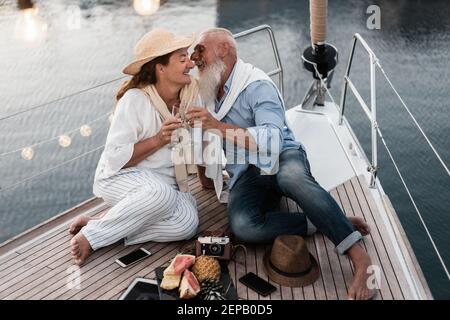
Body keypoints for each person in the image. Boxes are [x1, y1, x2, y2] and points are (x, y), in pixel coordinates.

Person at [186, 28, 375, 300]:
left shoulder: (256, 85)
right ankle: (327, 220)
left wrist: (217, 126)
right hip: (248, 173)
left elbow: (273, 139)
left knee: (292, 179)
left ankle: (359, 258)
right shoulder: (208, 92)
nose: (194, 57)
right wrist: (205, 175)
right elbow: (205, 137)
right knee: (243, 226)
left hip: (282, 155)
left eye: (201, 48)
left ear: (223, 50)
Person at [69, 28, 201, 266]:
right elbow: (115, 159)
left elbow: (198, 149)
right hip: (119, 175)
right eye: (182, 59)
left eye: (188, 57)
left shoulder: (191, 98)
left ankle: (105, 222)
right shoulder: (135, 100)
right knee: (160, 194)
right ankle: (92, 236)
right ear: (160, 68)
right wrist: (159, 139)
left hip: (165, 184)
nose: (191, 63)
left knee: (186, 224)